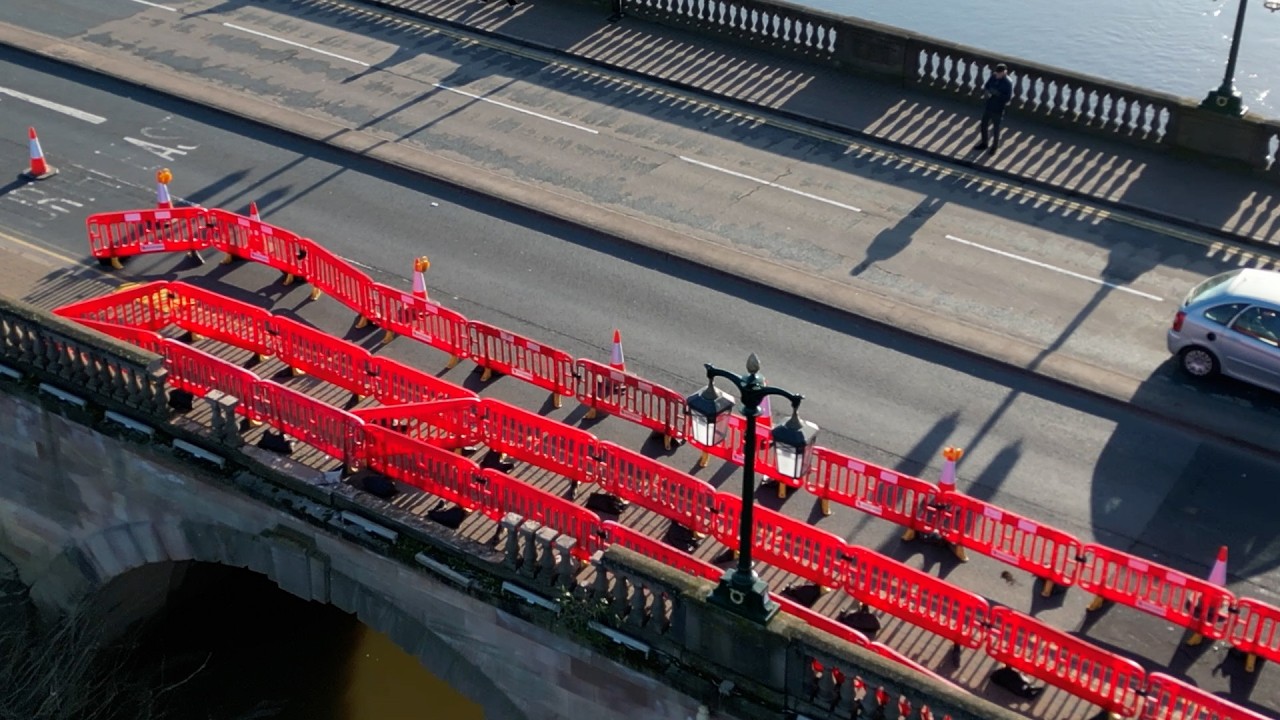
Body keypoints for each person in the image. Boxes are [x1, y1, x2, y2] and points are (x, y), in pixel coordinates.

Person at [976, 63, 1013, 154]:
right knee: (983, 124)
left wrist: (997, 93)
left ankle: (994, 147)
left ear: (1004, 72)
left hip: (998, 108)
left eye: (999, 73)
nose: (997, 75)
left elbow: (1007, 98)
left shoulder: (1008, 82)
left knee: (996, 129)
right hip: (989, 105)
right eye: (997, 73)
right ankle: (984, 143)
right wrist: (988, 91)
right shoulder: (993, 76)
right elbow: (987, 85)